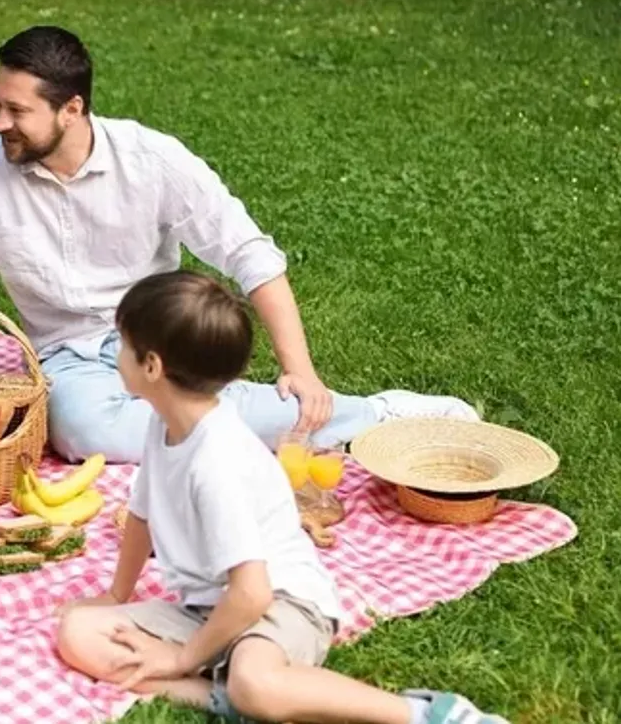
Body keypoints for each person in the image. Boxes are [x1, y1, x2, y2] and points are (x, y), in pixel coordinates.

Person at [0, 25, 478, 464]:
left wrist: (302, 371)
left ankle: (375, 415)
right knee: (81, 434)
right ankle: (253, 418)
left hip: (159, 336)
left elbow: (249, 253)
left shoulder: (153, 159)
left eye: (17, 111)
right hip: (66, 355)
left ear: (72, 109)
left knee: (156, 413)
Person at [54, 270, 509, 724]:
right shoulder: (164, 423)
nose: (115, 359)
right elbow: (142, 515)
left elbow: (252, 594)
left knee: (256, 681)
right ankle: (223, 699)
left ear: (151, 366)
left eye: (123, 345)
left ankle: (425, 714)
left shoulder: (215, 462)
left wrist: (178, 658)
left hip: (282, 603)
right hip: (207, 608)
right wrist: (116, 595)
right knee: (79, 633)